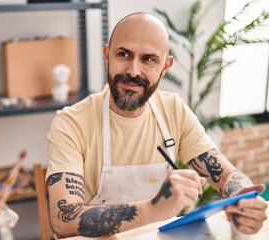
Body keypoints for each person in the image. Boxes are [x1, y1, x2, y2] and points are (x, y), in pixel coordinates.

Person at [45, 12, 268, 238]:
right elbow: (65, 220)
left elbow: (227, 176)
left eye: (148, 59)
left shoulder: (173, 110)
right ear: (107, 55)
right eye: (124, 54)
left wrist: (244, 202)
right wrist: (154, 209)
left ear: (165, 66)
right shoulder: (71, 123)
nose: (133, 71)